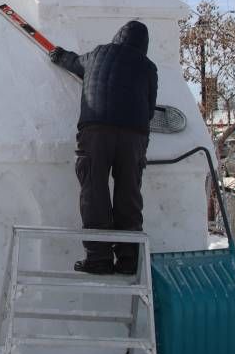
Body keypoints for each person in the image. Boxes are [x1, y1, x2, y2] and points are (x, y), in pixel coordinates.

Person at [48, 20, 158, 275]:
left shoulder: (98, 53)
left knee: (94, 190)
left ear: (118, 36)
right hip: (133, 135)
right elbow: (150, 107)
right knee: (128, 192)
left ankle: (99, 258)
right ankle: (129, 259)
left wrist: (58, 54)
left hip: (96, 130)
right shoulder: (148, 66)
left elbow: (73, 63)